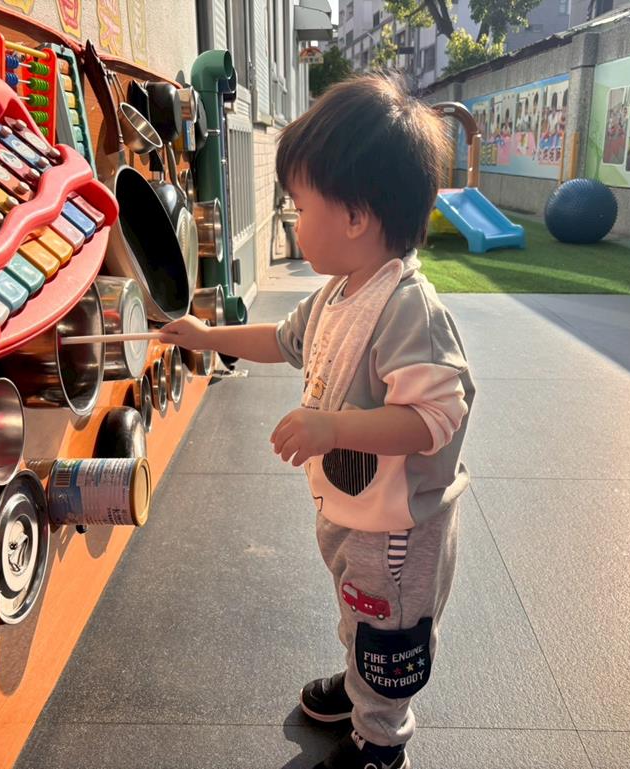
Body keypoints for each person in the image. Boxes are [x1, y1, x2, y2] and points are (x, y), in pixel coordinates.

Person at [159, 73, 475, 769]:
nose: (294, 221)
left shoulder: (407, 310)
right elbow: (282, 341)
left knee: (391, 630)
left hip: (397, 525)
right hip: (355, 510)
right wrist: (208, 337)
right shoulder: (339, 294)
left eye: (300, 207)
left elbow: (433, 419)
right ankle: (361, 683)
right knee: (359, 608)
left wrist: (333, 429)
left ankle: (381, 739)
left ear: (355, 217)